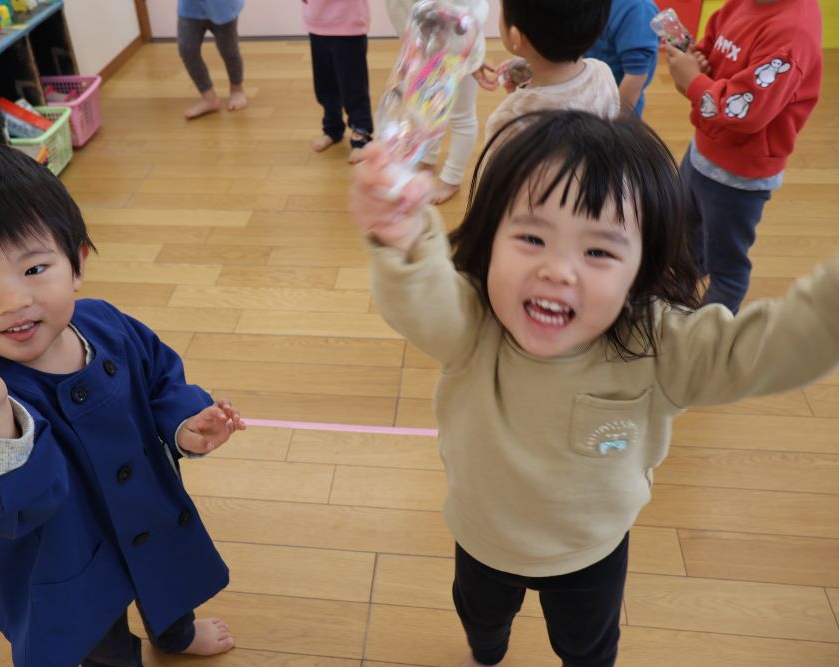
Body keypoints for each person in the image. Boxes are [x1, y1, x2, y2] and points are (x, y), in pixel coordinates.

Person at [349, 109, 839, 667]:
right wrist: (404, 236)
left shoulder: (662, 344)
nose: (559, 270)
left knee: (588, 648)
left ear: (642, 268)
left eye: (599, 251)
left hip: (591, 553)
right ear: (489, 239)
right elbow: (422, 296)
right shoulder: (474, 323)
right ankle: (486, 655)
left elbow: (771, 348)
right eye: (532, 237)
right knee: (481, 620)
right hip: (481, 537)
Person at [0, 138, 245, 667]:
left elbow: (160, 376)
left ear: (76, 264)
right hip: (61, 554)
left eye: (34, 269)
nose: (13, 301)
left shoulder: (107, 324)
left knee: (165, 573)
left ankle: (175, 632)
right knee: (95, 634)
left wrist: (185, 422)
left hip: (147, 506)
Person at [663, 0, 822, 313]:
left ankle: (709, 339)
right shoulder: (744, 3)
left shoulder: (791, 34)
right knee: (685, 232)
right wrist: (700, 58)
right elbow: (716, 40)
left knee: (727, 269)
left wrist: (694, 82)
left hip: (738, 179)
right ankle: (679, 290)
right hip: (703, 151)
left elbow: (745, 112)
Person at [385, 0, 489, 204]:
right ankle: (428, 158)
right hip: (424, 51)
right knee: (427, 111)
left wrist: (470, 53)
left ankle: (452, 177)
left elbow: (473, 13)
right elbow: (401, 12)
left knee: (462, 117)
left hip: (459, 54)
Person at [483, 0, 619, 153]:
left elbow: (495, 175)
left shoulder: (508, 119)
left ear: (515, 37)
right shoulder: (602, 73)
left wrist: (518, 98)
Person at [302, 0, 373, 163]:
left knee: (353, 87)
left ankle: (361, 135)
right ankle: (332, 128)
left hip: (348, 23)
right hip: (317, 22)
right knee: (325, 85)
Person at [585, 0, 659, 116]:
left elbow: (636, 76)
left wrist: (618, 124)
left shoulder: (639, 9)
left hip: (616, 103)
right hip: (587, 94)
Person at [177, 0, 247, 119]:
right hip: (190, 6)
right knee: (187, 50)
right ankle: (209, 98)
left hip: (223, 7)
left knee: (229, 51)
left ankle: (237, 90)